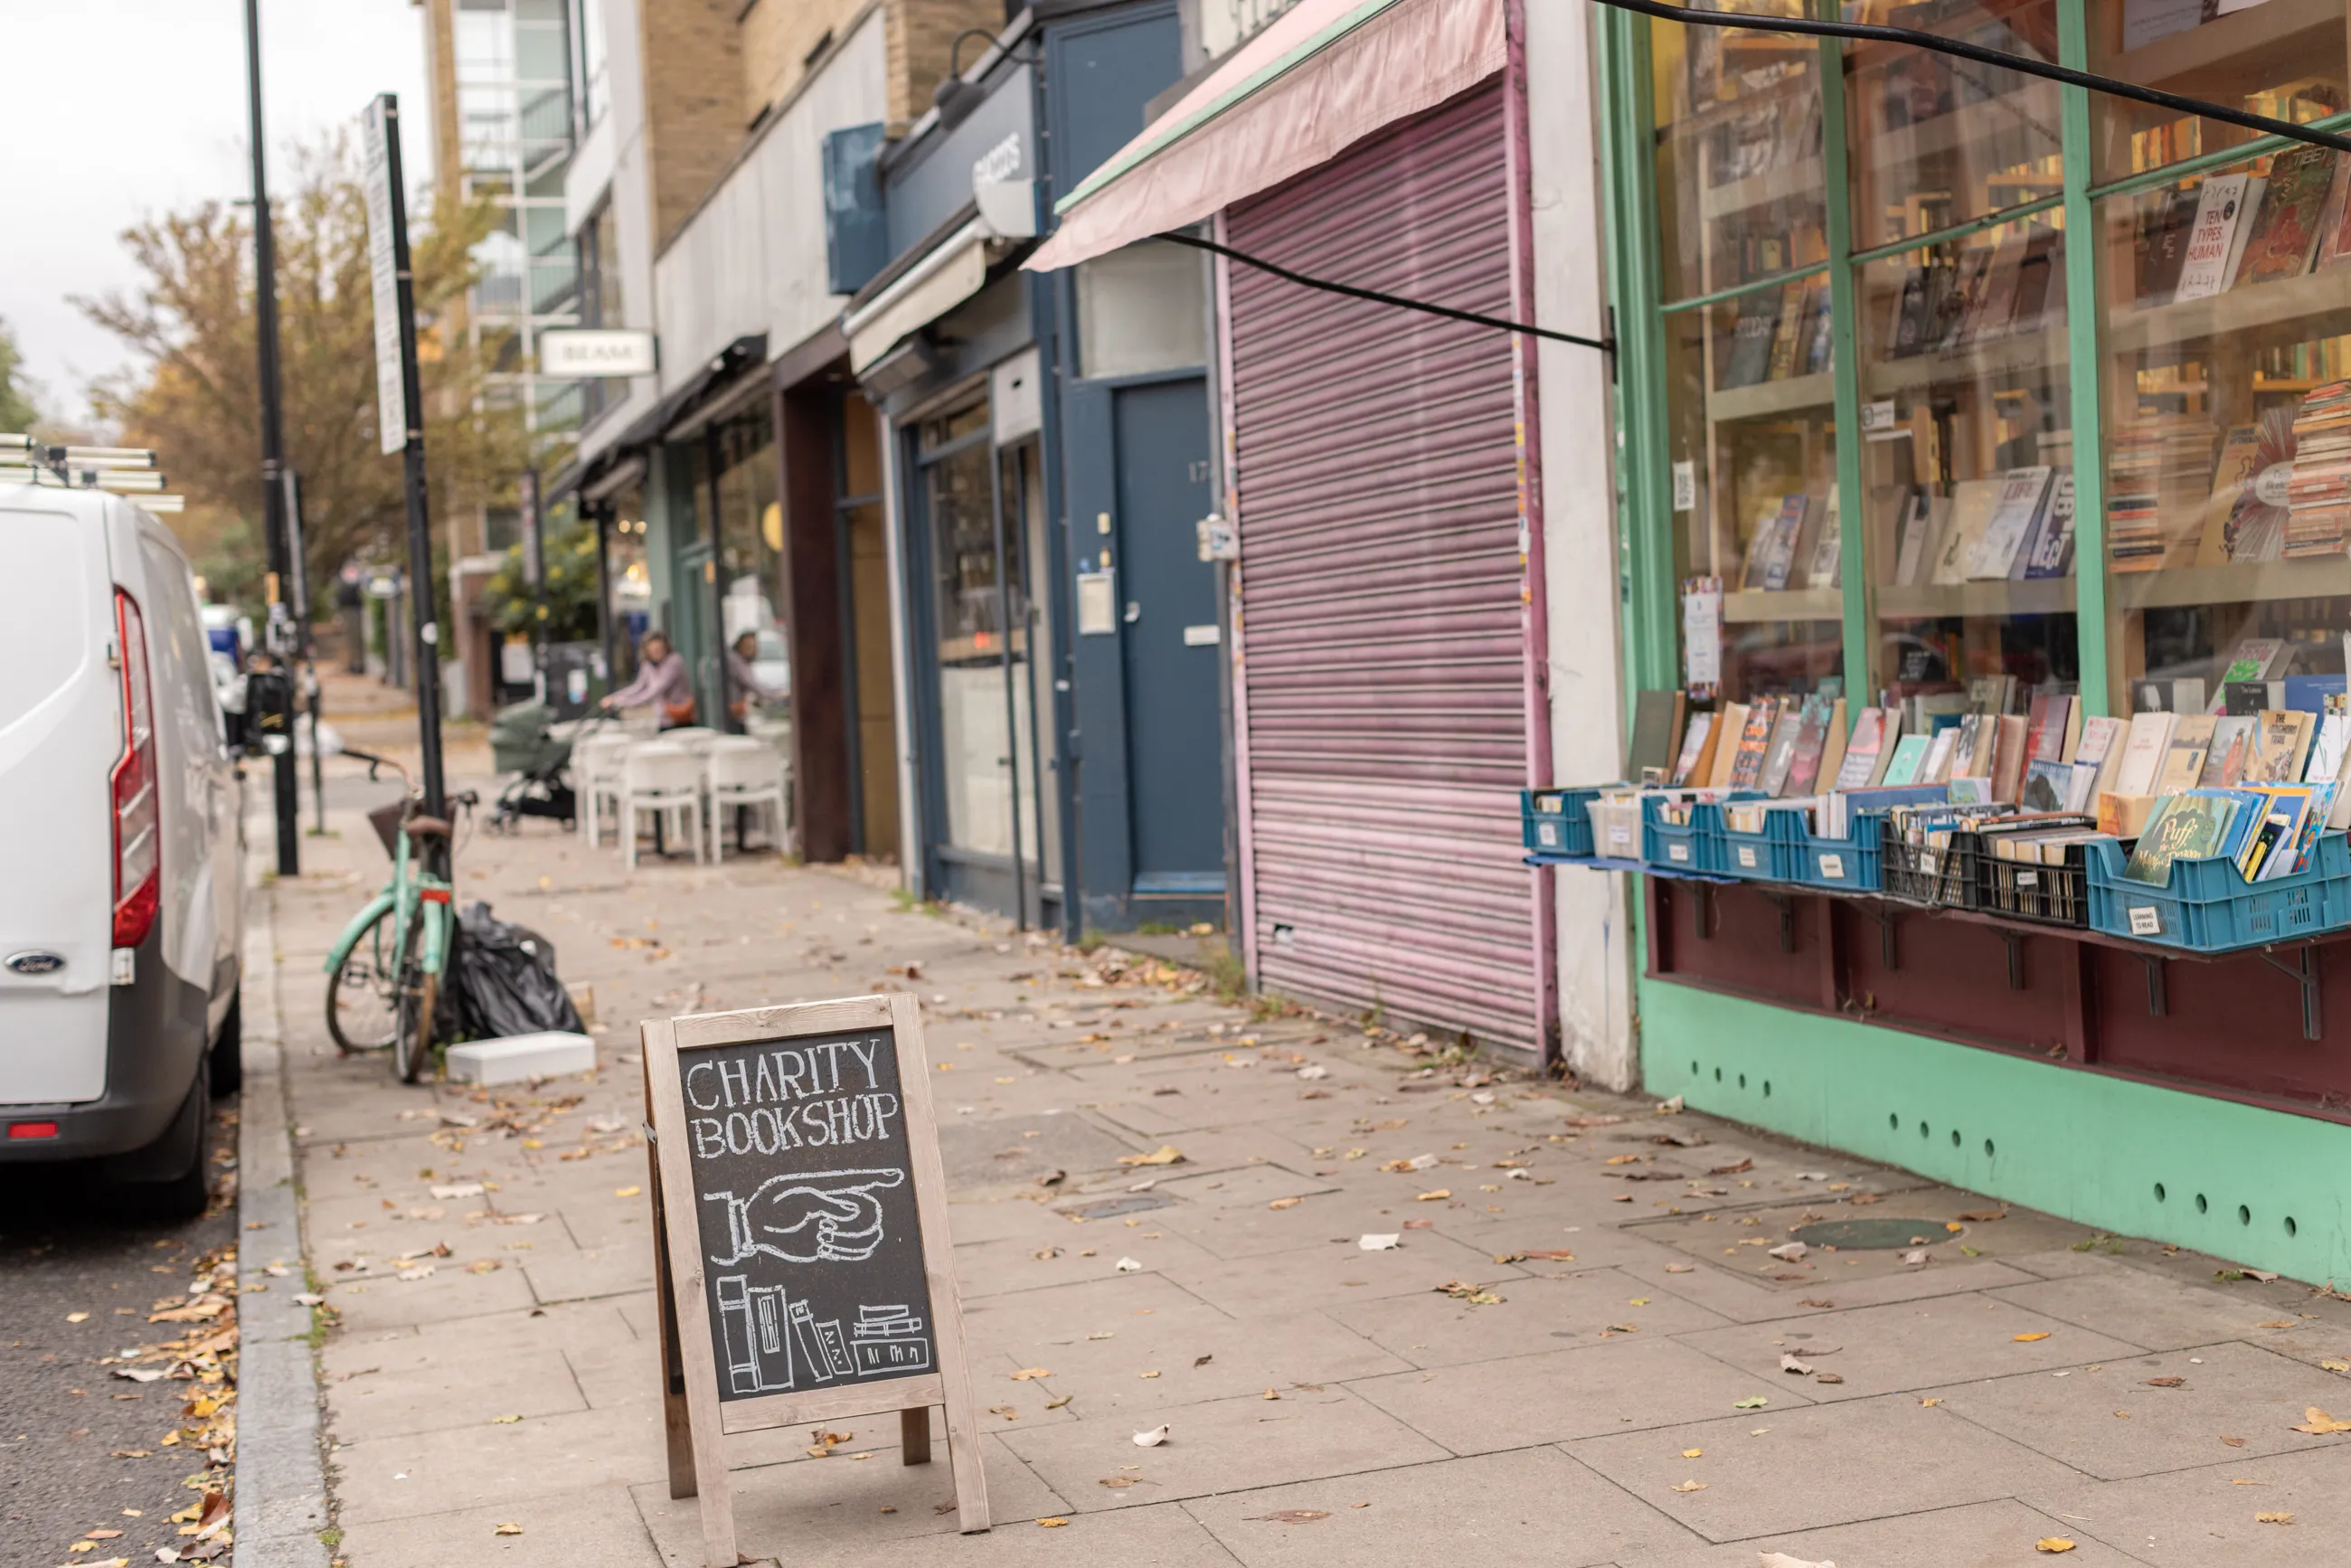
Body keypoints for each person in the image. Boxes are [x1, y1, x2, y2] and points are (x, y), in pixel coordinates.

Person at [600, 630, 694, 727]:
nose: (656, 654)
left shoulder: (674, 661)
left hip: (681, 717)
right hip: (664, 718)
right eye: (652, 651)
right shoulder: (648, 665)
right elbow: (638, 686)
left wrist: (621, 702)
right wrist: (614, 697)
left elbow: (654, 691)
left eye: (659, 650)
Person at [725, 630, 787, 723]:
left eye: (753, 646)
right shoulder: (736, 661)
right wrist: (777, 695)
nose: (751, 649)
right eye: (748, 646)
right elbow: (753, 684)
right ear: (740, 645)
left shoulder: (743, 661)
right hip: (732, 711)